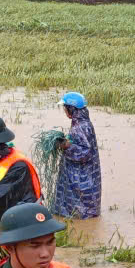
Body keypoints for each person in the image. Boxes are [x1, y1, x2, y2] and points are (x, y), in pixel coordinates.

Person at [52, 91, 102, 219]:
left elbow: (85, 152)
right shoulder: (83, 123)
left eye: (65, 108)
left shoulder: (79, 127)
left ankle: (80, 218)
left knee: (78, 208)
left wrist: (66, 145)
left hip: (81, 175)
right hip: (87, 172)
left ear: (71, 108)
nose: (64, 111)